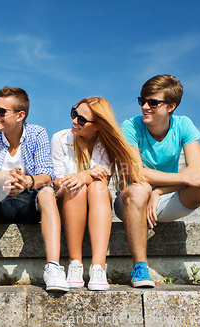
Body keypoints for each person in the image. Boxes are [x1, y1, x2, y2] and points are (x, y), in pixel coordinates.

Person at [115, 74, 200, 289]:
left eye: (153, 102)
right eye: (142, 100)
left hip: (163, 198)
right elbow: (137, 173)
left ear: (171, 106)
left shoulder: (183, 124)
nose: (145, 107)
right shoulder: (131, 126)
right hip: (131, 201)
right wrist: (181, 179)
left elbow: (198, 170)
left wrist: (159, 191)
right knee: (140, 188)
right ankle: (140, 267)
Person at [0, 86, 69, 292]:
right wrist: (7, 177)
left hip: (28, 201)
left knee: (48, 192)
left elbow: (47, 174)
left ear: (20, 115)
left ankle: (53, 267)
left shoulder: (37, 133)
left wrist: (25, 182)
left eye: (2, 111)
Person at [51, 97, 145, 290]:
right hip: (67, 198)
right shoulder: (60, 138)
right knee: (74, 187)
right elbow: (57, 182)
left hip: (96, 198)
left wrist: (82, 177)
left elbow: (102, 177)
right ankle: (75, 264)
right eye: (74, 113)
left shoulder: (106, 144)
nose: (75, 120)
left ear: (97, 126)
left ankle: (98, 267)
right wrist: (84, 175)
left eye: (82, 119)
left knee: (98, 186)